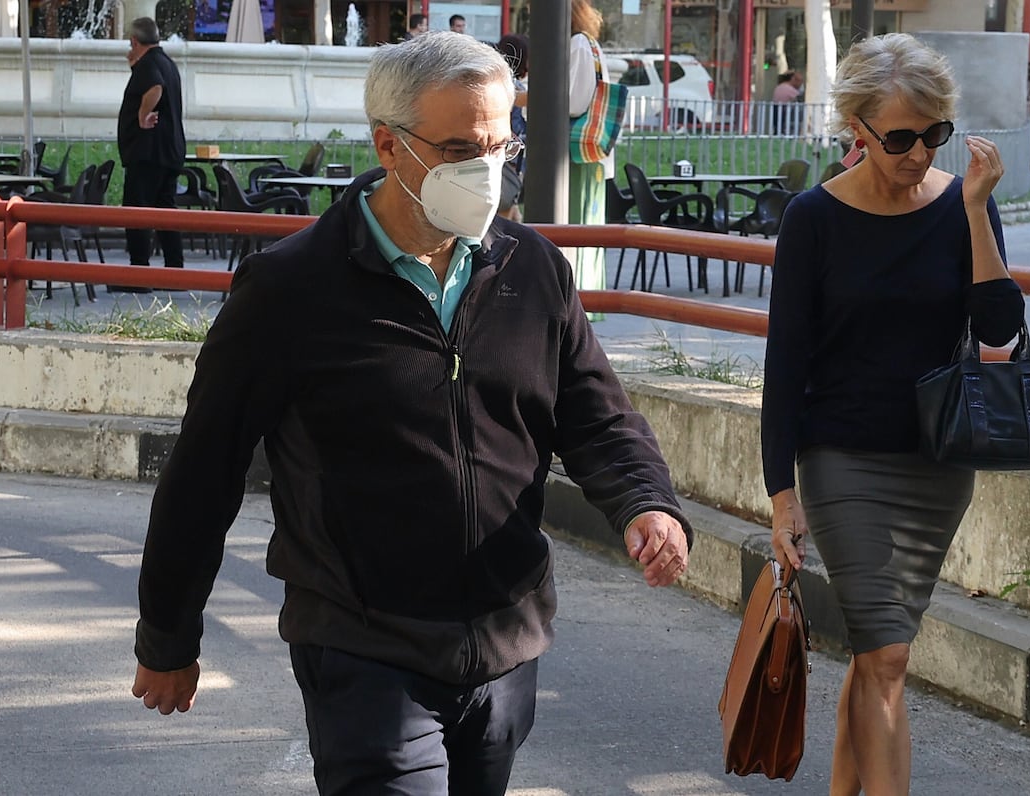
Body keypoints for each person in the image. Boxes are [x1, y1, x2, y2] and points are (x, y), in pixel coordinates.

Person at [130, 31, 692, 796]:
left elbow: (594, 414)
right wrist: (168, 637)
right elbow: (204, 471)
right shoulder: (290, 291)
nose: (488, 170)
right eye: (462, 147)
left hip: (505, 643)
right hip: (363, 646)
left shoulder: (533, 270)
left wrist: (646, 504)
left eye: (502, 146)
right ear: (389, 146)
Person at [760, 33, 1024, 796]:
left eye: (933, 134)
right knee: (888, 660)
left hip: (939, 466)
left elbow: (1001, 329)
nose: (917, 153)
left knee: (879, 656)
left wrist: (974, 210)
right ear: (859, 133)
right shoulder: (814, 219)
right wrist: (783, 495)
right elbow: (786, 366)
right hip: (842, 460)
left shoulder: (964, 203)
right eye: (899, 138)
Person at [116, 16, 185, 288]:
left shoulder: (149, 65)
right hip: (169, 151)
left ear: (134, 40)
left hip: (148, 153)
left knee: (137, 212)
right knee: (166, 211)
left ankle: (139, 274)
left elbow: (154, 87)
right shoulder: (167, 62)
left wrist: (143, 116)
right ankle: (175, 272)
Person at [568, 0, 610, 298]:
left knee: (576, 220)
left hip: (576, 150)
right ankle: (588, 294)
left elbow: (574, 101)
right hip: (591, 149)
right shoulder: (589, 44)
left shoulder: (578, 46)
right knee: (587, 220)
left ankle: (580, 295)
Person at [496, 32, 528, 222]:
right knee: (507, 220)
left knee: (513, 217)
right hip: (510, 161)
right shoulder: (514, 88)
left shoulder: (499, 83)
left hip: (508, 161)